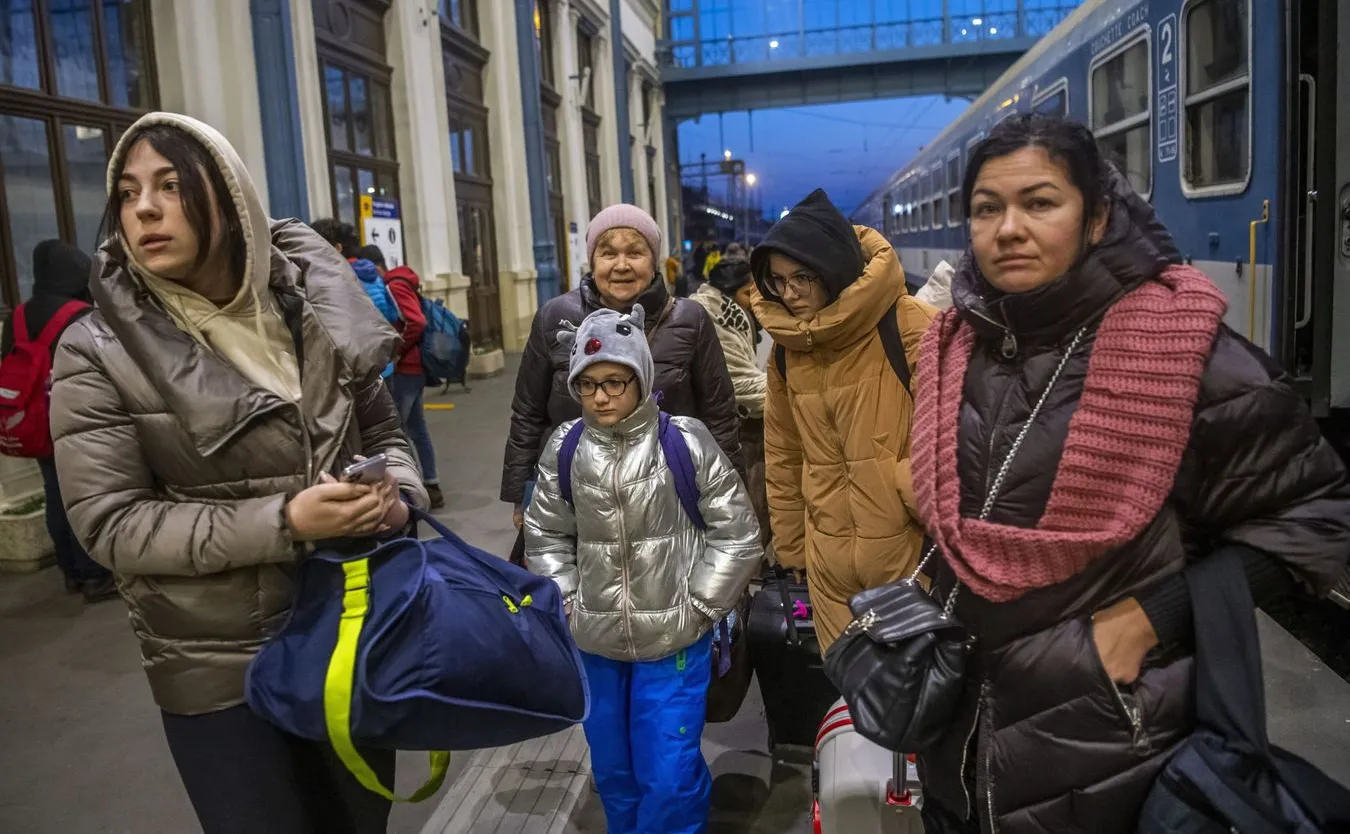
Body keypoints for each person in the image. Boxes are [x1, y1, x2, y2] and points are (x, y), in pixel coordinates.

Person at [909, 114, 1350, 834]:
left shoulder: (1183, 352)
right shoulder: (960, 348)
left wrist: (1155, 617)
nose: (1008, 228)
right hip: (956, 747)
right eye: (987, 209)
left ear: (1097, 216)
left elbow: (1318, 519)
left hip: (1113, 753)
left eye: (1040, 202)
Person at [49, 112, 427, 834]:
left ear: (229, 200)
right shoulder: (96, 349)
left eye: (169, 186)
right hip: (218, 671)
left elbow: (385, 431)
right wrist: (285, 521)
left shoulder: (310, 309)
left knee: (360, 823)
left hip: (347, 634)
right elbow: (109, 523)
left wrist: (397, 500)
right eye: (128, 194)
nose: (145, 209)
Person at [525, 304, 761, 834]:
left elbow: (738, 534)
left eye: (615, 381)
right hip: (595, 644)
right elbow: (546, 533)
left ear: (642, 379)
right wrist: (566, 600)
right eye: (588, 386)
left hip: (673, 645)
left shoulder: (684, 441)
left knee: (670, 776)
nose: (602, 396)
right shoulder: (565, 449)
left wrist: (699, 606)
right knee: (614, 773)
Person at [751, 188, 936, 653]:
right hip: (828, 569)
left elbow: (958, 433)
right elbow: (785, 454)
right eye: (778, 280)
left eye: (802, 278)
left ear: (833, 270)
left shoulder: (909, 324)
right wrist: (793, 548)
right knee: (853, 705)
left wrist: (907, 488)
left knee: (922, 703)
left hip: (911, 559)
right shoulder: (786, 353)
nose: (789, 294)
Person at [501, 203, 743, 538]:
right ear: (593, 260)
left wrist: (728, 492)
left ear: (653, 259)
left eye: (635, 252)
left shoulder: (690, 319)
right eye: (608, 253)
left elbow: (719, 414)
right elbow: (528, 411)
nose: (621, 266)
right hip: (574, 493)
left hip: (667, 499)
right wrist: (520, 493)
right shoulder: (554, 317)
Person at [0, 240, 116, 602]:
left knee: (56, 493)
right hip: (80, 418)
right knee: (87, 494)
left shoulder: (17, 315)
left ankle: (71, 573)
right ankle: (95, 574)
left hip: (34, 420)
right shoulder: (79, 315)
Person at [691, 255, 770, 547]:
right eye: (748, 293)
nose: (755, 302)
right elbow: (738, 384)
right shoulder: (717, 318)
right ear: (729, 292)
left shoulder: (726, 316)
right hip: (725, 438)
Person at [373, 249, 446, 510]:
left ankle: (413, 492)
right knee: (416, 427)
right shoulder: (405, 281)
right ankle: (431, 485)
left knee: (397, 433)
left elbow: (416, 321)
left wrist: (396, 351)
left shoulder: (393, 285)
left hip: (407, 366)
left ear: (378, 267)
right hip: (414, 366)